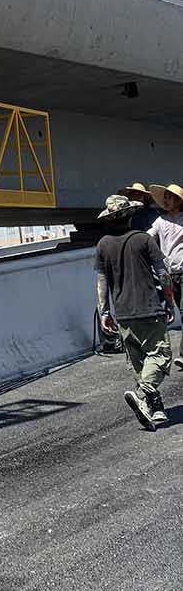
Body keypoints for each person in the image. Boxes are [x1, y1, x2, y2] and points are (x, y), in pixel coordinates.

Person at [95, 192, 175, 430]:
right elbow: (163, 273)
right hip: (148, 307)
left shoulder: (103, 244)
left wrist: (104, 312)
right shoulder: (143, 239)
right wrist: (169, 301)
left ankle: (155, 409)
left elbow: (102, 282)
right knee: (160, 355)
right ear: (130, 215)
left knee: (139, 362)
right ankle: (143, 394)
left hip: (123, 313)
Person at [147, 181, 183, 371]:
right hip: (169, 275)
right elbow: (148, 237)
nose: (167, 200)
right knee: (177, 312)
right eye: (166, 197)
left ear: (179, 201)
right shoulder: (160, 222)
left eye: (171, 198)